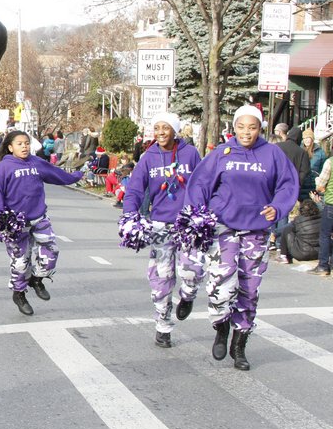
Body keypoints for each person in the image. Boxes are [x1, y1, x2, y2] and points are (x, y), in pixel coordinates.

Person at [183, 105, 298, 370]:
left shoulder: (272, 154)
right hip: (223, 227)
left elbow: (287, 185)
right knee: (221, 286)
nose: (247, 132)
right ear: (234, 128)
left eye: (253, 127)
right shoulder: (221, 153)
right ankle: (221, 327)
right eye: (242, 127)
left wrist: (278, 207)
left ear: (261, 129)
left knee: (249, 289)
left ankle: (239, 345)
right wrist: (198, 214)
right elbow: (199, 184)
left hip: (256, 230)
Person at [119, 113, 203, 348]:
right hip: (160, 224)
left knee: (193, 270)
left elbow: (203, 183)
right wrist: (130, 215)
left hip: (187, 223)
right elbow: (135, 189)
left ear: (174, 130)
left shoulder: (190, 153)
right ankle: (163, 325)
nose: (161, 132)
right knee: (162, 277)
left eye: (165, 128)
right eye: (157, 128)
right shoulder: (148, 157)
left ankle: (187, 296)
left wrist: (203, 211)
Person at [0, 130, 83, 316]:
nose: (24, 146)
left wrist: (76, 176)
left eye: (26, 143)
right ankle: (19, 294)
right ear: (10, 147)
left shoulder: (36, 162)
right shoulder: (4, 167)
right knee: (20, 263)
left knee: (52, 251)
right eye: (19, 144)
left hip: (39, 218)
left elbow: (56, 174)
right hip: (15, 223)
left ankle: (37, 279)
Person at [275, 198, 320, 264]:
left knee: (287, 229)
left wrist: (274, 233)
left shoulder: (298, 220)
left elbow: (284, 229)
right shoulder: (322, 219)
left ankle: (283, 256)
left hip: (301, 254)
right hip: (318, 253)